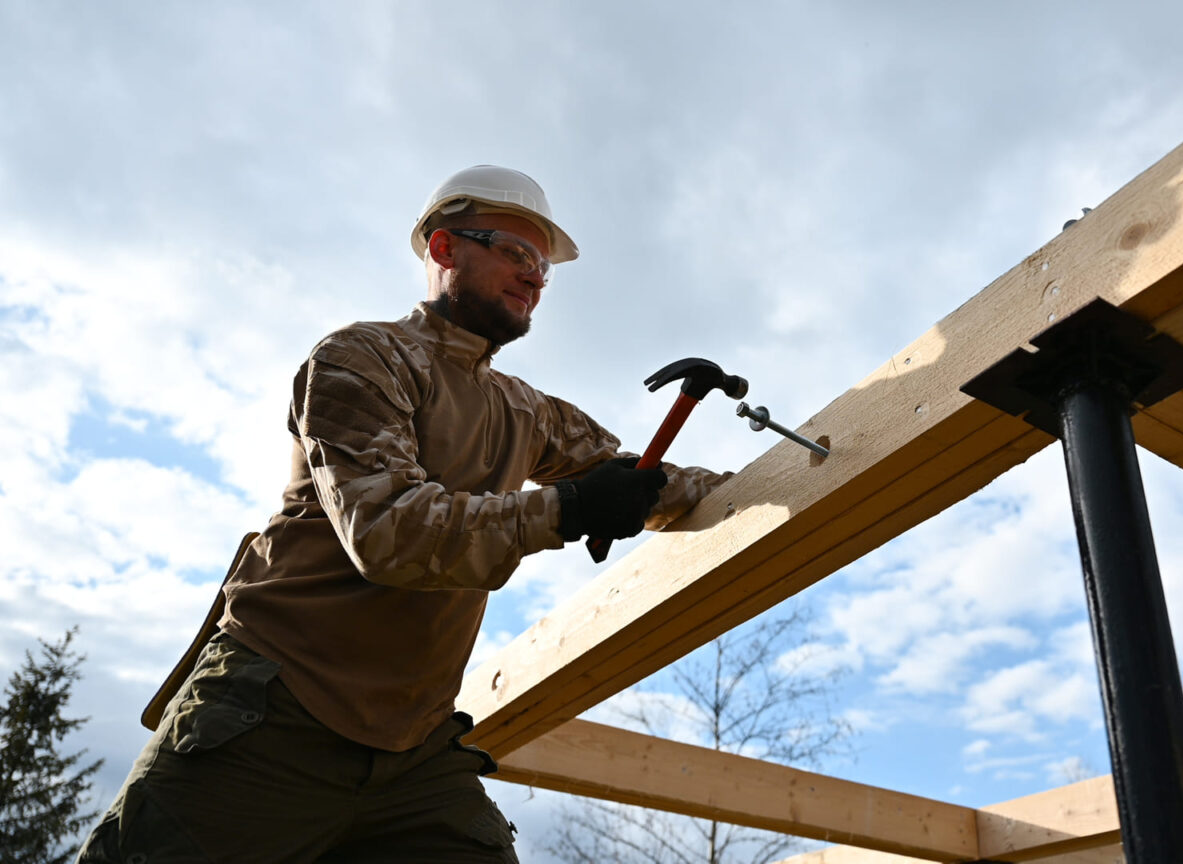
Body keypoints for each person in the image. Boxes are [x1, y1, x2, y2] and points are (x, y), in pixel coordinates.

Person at [78, 165, 730, 863]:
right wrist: (566, 510)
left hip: (413, 751)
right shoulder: (361, 360)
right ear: (445, 249)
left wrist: (764, 480)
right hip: (272, 714)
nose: (536, 278)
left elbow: (637, 481)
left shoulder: (523, 410)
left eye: (543, 267)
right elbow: (389, 532)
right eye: (515, 253)